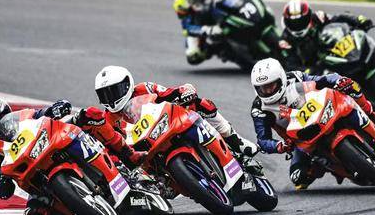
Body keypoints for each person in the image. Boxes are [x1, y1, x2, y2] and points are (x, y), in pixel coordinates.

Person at [250, 58, 375, 190]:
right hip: (299, 140)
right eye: (262, 88)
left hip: (322, 112)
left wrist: (338, 81)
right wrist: (279, 146)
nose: (267, 91)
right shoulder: (259, 109)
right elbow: (263, 140)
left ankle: (374, 118)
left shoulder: (294, 77)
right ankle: (331, 167)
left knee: (351, 87)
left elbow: (321, 80)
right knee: (298, 178)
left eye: (271, 85)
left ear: (281, 79)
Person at [91, 65, 259, 161]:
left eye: (114, 91)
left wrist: (184, 91)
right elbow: (113, 146)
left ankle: (235, 139)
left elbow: (170, 93)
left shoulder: (144, 88)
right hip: (146, 151)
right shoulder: (107, 119)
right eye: (105, 95)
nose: (111, 98)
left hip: (167, 125)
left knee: (200, 104)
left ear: (127, 84)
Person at [0, 97, 72, 215]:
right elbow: (2, 189)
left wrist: (55, 109)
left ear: (5, 115)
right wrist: (3, 181)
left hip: (49, 149)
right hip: (34, 177)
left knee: (83, 119)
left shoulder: (22, 116)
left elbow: (42, 113)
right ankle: (74, 207)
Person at [173, 0, 265, 65]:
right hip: (201, 24)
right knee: (193, 56)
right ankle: (219, 49)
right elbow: (187, 27)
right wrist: (206, 30)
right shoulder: (181, 1)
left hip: (219, 11)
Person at [280, 0, 374, 72]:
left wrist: (357, 20)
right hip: (316, 67)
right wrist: (310, 71)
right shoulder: (285, 41)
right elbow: (291, 65)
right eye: (294, 23)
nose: (298, 25)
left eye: (301, 21)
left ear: (308, 16)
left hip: (334, 51)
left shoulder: (317, 17)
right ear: (286, 22)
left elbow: (339, 17)